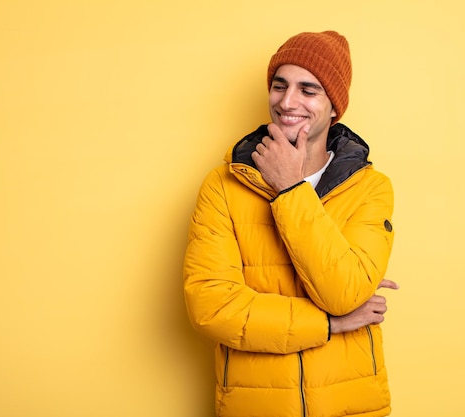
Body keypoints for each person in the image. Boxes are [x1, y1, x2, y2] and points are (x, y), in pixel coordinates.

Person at [183, 30, 398, 417]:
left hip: (350, 405)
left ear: (335, 107)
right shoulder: (223, 184)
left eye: (308, 90)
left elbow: (342, 293)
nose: (287, 102)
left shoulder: (371, 188)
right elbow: (211, 307)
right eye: (279, 86)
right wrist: (331, 323)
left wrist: (290, 188)